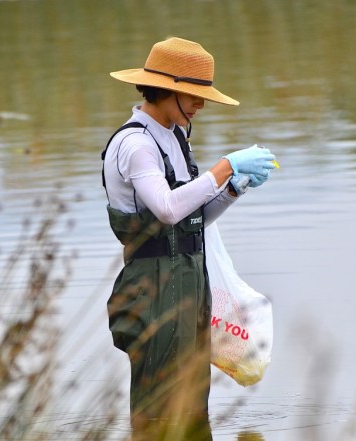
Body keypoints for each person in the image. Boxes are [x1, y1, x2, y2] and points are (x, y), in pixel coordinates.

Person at [101, 37, 276, 440]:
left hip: (191, 279)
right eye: (195, 96)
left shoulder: (175, 137)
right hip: (154, 287)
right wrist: (225, 166)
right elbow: (166, 209)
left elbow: (192, 222)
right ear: (168, 89)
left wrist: (231, 191)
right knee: (160, 407)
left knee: (194, 405)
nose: (201, 105)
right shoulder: (135, 144)